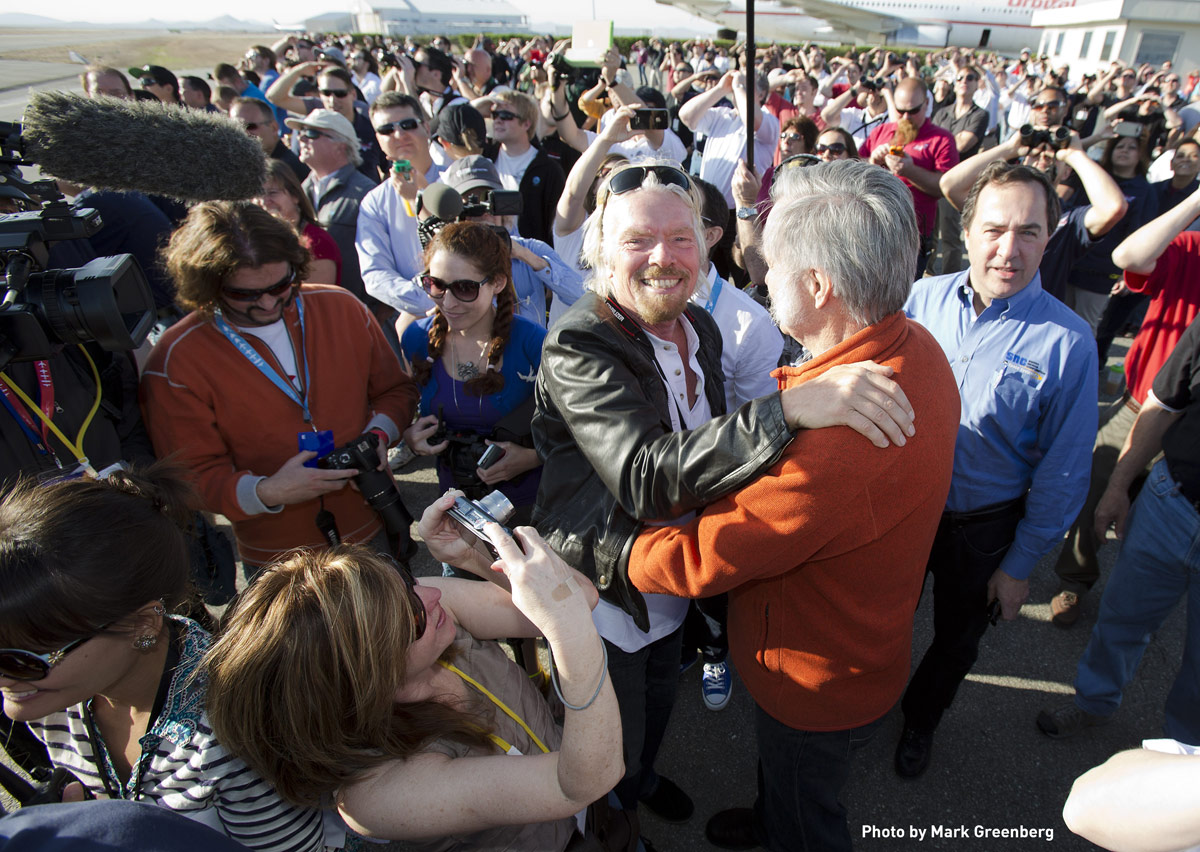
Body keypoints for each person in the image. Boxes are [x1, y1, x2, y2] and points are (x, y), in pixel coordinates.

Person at [532, 160, 917, 844]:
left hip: (677, 579)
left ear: (708, 245)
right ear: (597, 253)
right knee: (601, 734)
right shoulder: (578, 343)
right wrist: (789, 409)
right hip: (609, 590)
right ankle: (609, 823)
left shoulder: (700, 329)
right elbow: (647, 475)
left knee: (656, 701)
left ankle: (640, 780)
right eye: (638, 241)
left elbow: (707, 444)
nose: (663, 258)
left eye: (681, 239)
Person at [625, 158, 961, 852]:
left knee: (810, 817)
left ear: (818, 285)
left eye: (769, 264)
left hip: (810, 682)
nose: (758, 275)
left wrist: (613, 548)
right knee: (792, 783)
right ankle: (774, 811)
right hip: (853, 651)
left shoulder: (837, 447)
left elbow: (696, 562)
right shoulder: (915, 344)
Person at [202, 507, 622, 850]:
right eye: (410, 615)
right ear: (366, 678)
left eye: (402, 579)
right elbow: (581, 783)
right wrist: (566, 628)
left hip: (586, 797)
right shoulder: (377, 794)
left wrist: (473, 555)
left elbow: (579, 598)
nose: (432, 594)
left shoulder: (425, 615)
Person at [0, 464, 326, 850]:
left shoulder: (235, 730)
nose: (5, 677)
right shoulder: (51, 695)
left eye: (28, 657)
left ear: (143, 625)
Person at [896, 162, 1099, 779]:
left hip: (981, 527)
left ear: (1051, 236)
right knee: (879, 621)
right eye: (995, 229)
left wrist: (1018, 567)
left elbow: (1064, 474)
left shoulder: (1069, 342)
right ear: (967, 231)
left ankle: (920, 721)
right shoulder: (917, 300)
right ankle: (863, 707)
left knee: (957, 643)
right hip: (902, 509)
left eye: (1030, 232)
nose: (1009, 250)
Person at [140, 202, 418, 570]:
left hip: (372, 525)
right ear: (208, 285)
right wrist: (267, 491)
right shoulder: (177, 358)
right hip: (278, 558)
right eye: (245, 295)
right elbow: (188, 476)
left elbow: (396, 392)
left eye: (282, 285)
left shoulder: (341, 307)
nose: (269, 302)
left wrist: (378, 435)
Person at [1037, 313, 1200, 747]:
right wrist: (1118, 487)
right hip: (1172, 503)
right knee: (1121, 617)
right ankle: (1093, 702)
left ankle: (1182, 760)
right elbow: (1164, 404)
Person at [401, 223, 545, 519]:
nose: (448, 303)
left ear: (498, 283)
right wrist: (411, 436)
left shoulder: (534, 342)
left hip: (530, 511)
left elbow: (575, 430)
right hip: (455, 511)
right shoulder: (416, 338)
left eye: (465, 288)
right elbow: (408, 403)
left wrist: (532, 457)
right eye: (436, 285)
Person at [861, 78, 959, 276]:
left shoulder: (941, 138)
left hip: (913, 236)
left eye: (913, 111)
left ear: (926, 104)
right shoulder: (881, 131)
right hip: (873, 229)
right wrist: (872, 161)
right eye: (900, 110)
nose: (906, 117)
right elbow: (855, 165)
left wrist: (910, 171)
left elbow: (945, 187)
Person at [289, 109, 377, 304]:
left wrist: (374, 312)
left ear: (341, 146)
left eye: (311, 134)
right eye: (300, 132)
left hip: (354, 311)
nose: (302, 139)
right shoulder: (297, 192)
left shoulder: (365, 194)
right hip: (308, 308)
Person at [679, 70, 779, 211]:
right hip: (707, 206)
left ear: (761, 94)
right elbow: (687, 116)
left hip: (740, 209)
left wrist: (739, 86)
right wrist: (721, 88)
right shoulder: (722, 115)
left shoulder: (769, 121)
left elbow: (753, 121)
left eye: (747, 83)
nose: (737, 87)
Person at [483, 89, 565, 244]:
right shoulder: (485, 158)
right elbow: (461, 117)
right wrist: (486, 101)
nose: (498, 120)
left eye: (506, 116)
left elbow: (555, 228)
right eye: (495, 115)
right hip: (489, 251)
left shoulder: (549, 169)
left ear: (526, 123)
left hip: (529, 257)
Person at [256, 159, 341, 286]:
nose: (264, 201)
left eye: (272, 193)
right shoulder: (252, 242)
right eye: (258, 194)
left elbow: (315, 301)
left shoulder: (317, 243)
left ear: (295, 196)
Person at [230, 96, 308, 183]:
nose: (243, 133)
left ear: (274, 128)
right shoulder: (237, 167)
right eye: (235, 127)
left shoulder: (289, 169)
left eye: (250, 126)